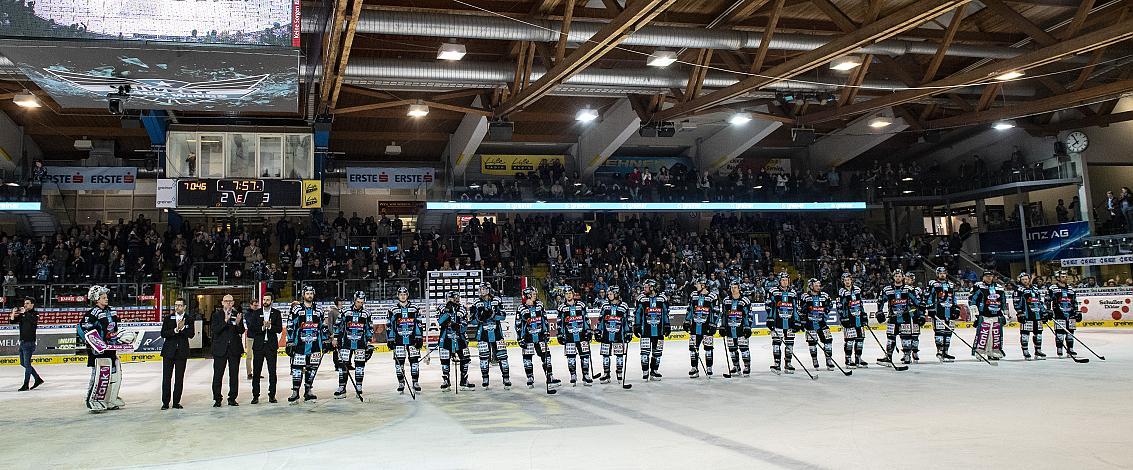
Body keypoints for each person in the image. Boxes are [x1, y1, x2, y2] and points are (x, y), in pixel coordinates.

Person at [80, 285, 134, 413]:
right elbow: (85, 329)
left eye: (106, 297)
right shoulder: (92, 313)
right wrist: (97, 344)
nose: (106, 299)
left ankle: (110, 398)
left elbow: (114, 329)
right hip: (97, 351)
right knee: (99, 374)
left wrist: (118, 339)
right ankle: (93, 399)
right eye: (103, 297)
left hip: (110, 349)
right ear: (96, 299)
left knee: (114, 373)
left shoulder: (112, 311)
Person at [287, 284, 330, 403]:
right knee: (297, 368)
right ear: (303, 295)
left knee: (312, 368)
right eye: (307, 293)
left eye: (311, 293)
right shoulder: (296, 309)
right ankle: (295, 391)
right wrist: (290, 342)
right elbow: (291, 326)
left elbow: (323, 326)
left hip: (315, 345)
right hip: (299, 344)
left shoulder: (319, 309)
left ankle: (308, 390)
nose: (309, 296)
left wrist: (326, 340)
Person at [515, 287, 559, 391]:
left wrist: (547, 331)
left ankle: (550, 376)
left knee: (546, 356)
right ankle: (530, 377)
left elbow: (544, 319)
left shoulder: (539, 305)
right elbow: (518, 324)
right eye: (533, 293)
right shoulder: (521, 308)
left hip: (540, 336)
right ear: (528, 295)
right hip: (527, 337)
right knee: (527, 358)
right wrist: (520, 338)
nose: (535, 295)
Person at [333, 291, 374, 400]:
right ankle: (342, 388)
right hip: (346, 343)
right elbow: (337, 325)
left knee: (360, 365)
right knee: (343, 366)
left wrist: (369, 341)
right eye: (358, 301)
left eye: (362, 302)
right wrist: (336, 338)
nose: (360, 304)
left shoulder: (367, 313)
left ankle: (359, 386)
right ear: (354, 300)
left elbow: (369, 328)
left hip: (361, 343)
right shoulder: (345, 312)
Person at [470, 283, 511, 389]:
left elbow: (503, 316)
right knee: (483, 358)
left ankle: (506, 378)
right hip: (482, 334)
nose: (481, 291)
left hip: (497, 333)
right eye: (480, 289)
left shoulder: (497, 300)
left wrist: (492, 315)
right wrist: (480, 318)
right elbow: (473, 321)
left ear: (488, 289)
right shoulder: (476, 302)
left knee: (503, 356)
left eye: (483, 288)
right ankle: (485, 379)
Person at [876, 270, 921, 365]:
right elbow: (880, 301)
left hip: (905, 317)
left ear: (903, 277)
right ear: (893, 277)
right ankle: (889, 356)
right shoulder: (887, 289)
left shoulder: (908, 289)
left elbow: (916, 301)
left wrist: (918, 310)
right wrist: (879, 311)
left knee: (906, 337)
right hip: (893, 318)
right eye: (896, 276)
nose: (898, 277)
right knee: (890, 337)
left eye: (899, 276)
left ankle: (907, 356)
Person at [247, 292, 283, 403]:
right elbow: (251, 328)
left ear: (271, 301)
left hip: (271, 346)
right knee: (256, 372)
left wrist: (270, 326)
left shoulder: (276, 313)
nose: (265, 302)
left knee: (272, 372)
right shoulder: (256, 313)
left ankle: (272, 395)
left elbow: (279, 329)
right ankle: (255, 395)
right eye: (264, 300)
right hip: (258, 346)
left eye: (267, 300)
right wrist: (262, 327)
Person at [386, 286, 423, 394]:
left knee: (414, 361)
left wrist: (419, 337)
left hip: (412, 339)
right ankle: (401, 382)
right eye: (401, 294)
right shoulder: (393, 309)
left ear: (407, 295)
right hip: (398, 339)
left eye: (405, 294)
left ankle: (415, 382)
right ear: (398, 295)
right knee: (399, 363)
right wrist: (390, 338)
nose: (403, 296)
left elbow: (418, 323)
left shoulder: (415, 308)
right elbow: (389, 325)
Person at [160, 298, 195, 409]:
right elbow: (163, 334)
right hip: (168, 352)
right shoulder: (168, 318)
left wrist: (183, 328)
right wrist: (175, 330)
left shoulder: (189, 319)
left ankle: (176, 402)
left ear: (184, 307)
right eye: (176, 305)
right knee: (166, 378)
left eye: (180, 305)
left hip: (181, 352)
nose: (177, 307)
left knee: (179, 378)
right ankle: (165, 402)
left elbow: (191, 334)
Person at [437, 291, 475, 391]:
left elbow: (465, 324)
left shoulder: (462, 309)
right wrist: (448, 312)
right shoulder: (441, 308)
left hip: (460, 338)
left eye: (457, 298)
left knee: (465, 359)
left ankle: (464, 381)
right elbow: (440, 321)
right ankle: (446, 380)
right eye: (453, 298)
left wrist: (458, 326)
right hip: (445, 338)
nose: (455, 300)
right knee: (445, 360)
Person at [211, 294, 244, 407]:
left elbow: (241, 331)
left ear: (233, 302)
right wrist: (225, 321)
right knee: (218, 375)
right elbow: (215, 330)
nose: (228, 303)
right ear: (222, 302)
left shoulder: (237, 314)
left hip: (234, 349)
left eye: (230, 301)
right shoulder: (216, 315)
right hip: (220, 349)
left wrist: (239, 323)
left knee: (234, 375)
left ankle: (232, 398)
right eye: (226, 301)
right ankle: (217, 399)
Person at [634, 279, 671, 380]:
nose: (644, 289)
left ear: (652, 287)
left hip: (659, 331)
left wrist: (667, 325)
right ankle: (645, 372)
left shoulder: (662, 298)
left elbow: (665, 313)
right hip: (645, 331)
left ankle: (654, 371)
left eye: (646, 287)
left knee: (657, 352)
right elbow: (637, 313)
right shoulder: (641, 298)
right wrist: (636, 325)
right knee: (644, 352)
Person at [556, 286, 593, 386]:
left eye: (570, 293)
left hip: (582, 335)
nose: (568, 295)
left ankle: (586, 375)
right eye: (566, 293)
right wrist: (559, 334)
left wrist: (588, 330)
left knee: (585, 356)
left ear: (573, 293)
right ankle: (573, 375)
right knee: (571, 357)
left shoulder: (581, 305)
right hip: (569, 336)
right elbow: (560, 322)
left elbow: (586, 319)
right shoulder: (562, 308)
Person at [765, 272, 801, 374]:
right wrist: (770, 318)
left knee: (789, 343)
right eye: (783, 280)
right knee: (776, 343)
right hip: (777, 322)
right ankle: (777, 364)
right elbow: (768, 306)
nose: (785, 282)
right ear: (779, 281)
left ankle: (788, 363)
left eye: (786, 280)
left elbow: (795, 308)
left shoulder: (793, 292)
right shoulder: (773, 291)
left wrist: (797, 320)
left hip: (790, 322)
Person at [596, 286, 632, 384]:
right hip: (606, 335)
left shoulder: (624, 306)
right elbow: (600, 320)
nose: (609, 295)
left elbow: (627, 321)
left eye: (611, 294)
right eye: (608, 294)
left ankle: (619, 372)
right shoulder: (605, 305)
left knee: (619, 355)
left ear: (616, 294)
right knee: (605, 355)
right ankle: (606, 374)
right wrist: (598, 331)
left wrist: (628, 332)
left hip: (619, 335)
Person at [684, 276, 718, 378]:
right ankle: (694, 368)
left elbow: (716, 312)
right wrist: (686, 321)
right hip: (695, 326)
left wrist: (713, 324)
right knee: (693, 348)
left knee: (708, 348)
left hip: (707, 326)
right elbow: (690, 309)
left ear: (703, 285)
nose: (696, 285)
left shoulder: (712, 296)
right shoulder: (693, 295)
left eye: (697, 284)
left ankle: (709, 368)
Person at [969, 271, 1007, 360]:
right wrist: (975, 314)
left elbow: (1003, 301)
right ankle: (980, 352)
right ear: (983, 277)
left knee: (996, 335)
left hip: (997, 315)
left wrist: (1005, 313)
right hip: (983, 315)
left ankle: (994, 352)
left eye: (990, 276)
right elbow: (972, 300)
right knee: (983, 334)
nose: (989, 278)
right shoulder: (978, 286)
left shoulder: (999, 288)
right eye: (987, 276)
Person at [718, 280, 753, 376]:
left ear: (739, 288)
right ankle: (736, 366)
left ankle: (747, 366)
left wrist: (747, 327)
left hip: (741, 329)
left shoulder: (745, 300)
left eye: (735, 287)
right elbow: (724, 315)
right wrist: (722, 326)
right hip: (730, 329)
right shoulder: (726, 300)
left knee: (744, 348)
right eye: (732, 287)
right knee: (732, 349)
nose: (733, 289)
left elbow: (749, 315)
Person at [800, 278, 836, 371]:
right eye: (816, 285)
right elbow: (801, 310)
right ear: (811, 286)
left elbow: (830, 304)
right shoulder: (805, 296)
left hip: (821, 322)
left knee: (828, 340)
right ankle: (814, 359)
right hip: (810, 323)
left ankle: (829, 360)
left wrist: (826, 311)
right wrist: (803, 322)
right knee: (812, 343)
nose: (818, 287)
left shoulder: (824, 295)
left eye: (819, 285)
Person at [925, 267, 958, 362]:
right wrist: (930, 308)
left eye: (944, 273)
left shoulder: (951, 285)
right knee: (939, 332)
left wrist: (956, 308)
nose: (942, 275)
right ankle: (939, 351)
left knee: (948, 333)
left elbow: (954, 298)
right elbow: (929, 297)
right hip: (938, 311)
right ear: (937, 274)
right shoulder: (933, 284)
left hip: (949, 311)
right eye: (940, 273)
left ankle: (946, 352)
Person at [1013, 272, 1049, 360]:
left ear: (1029, 279)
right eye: (1023, 279)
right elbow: (1016, 302)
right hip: (1026, 315)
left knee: (1038, 334)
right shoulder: (1019, 290)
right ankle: (1025, 351)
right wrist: (1020, 312)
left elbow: (1039, 301)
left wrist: (1044, 312)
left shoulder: (1035, 289)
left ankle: (1038, 350)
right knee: (1025, 334)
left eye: (1026, 279)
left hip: (1037, 315)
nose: (1025, 281)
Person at [10, 297, 43, 391]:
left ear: (32, 304)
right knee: (23, 363)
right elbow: (12, 322)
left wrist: (25, 313)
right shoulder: (23, 314)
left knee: (27, 364)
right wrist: (13, 313)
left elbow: (33, 321)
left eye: (27, 303)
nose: (25, 305)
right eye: (25, 303)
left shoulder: (35, 314)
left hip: (30, 343)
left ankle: (26, 384)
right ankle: (37, 379)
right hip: (22, 342)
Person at [837, 273, 868, 368]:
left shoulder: (857, 290)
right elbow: (839, 306)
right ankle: (848, 360)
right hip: (848, 319)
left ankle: (858, 358)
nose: (847, 281)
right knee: (849, 340)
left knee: (860, 339)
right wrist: (843, 317)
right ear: (843, 281)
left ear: (851, 280)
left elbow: (860, 303)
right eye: (845, 280)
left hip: (858, 318)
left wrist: (864, 315)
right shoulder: (842, 292)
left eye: (848, 279)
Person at [1048, 270, 1081, 358]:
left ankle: (1070, 349)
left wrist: (1077, 311)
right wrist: (1048, 311)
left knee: (1070, 332)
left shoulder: (1071, 289)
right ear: (1058, 278)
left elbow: (1074, 301)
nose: (1065, 278)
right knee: (1059, 332)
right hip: (1059, 313)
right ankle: (1060, 349)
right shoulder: (1053, 288)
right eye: (1063, 276)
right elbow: (1047, 300)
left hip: (1070, 313)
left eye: (1066, 276)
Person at [905, 271, 927, 362]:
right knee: (905, 334)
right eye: (906, 278)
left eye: (909, 278)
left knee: (915, 334)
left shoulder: (918, 290)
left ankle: (914, 351)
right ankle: (906, 353)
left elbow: (922, 303)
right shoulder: (902, 289)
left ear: (913, 280)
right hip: (905, 314)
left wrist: (922, 315)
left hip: (915, 314)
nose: (907, 280)